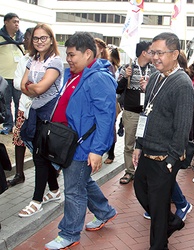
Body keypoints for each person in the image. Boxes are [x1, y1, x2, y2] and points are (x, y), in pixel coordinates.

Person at [45, 32, 117, 249]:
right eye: (67, 54)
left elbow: (106, 117)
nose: (68, 59)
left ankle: (69, 233)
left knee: (74, 190)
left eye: (72, 55)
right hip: (71, 143)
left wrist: (96, 150)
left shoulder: (98, 78)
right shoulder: (74, 74)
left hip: (83, 146)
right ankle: (105, 212)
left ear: (88, 53)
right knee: (82, 182)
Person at [132, 32, 194, 250]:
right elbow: (145, 113)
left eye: (160, 53)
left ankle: (159, 245)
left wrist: (171, 158)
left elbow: (183, 127)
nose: (155, 57)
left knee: (158, 207)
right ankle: (172, 222)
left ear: (175, 54)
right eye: (153, 52)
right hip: (147, 150)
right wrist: (138, 145)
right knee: (142, 192)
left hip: (164, 156)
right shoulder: (156, 78)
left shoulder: (182, 84)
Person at [18, 23, 63, 218]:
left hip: (49, 115)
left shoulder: (56, 61)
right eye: (36, 38)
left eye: (43, 38)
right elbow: (22, 85)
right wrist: (31, 87)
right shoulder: (32, 59)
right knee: (42, 154)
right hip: (34, 113)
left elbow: (40, 88)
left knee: (39, 156)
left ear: (51, 39)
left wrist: (31, 86)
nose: (39, 41)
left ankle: (36, 200)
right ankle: (54, 190)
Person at [117, 41, 156, 184]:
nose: (154, 55)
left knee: (146, 144)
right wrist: (126, 77)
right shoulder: (128, 68)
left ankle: (143, 171)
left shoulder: (154, 69)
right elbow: (118, 89)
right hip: (131, 112)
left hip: (148, 113)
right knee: (129, 144)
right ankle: (129, 171)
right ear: (144, 53)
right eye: (151, 52)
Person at [7, 27, 34, 186]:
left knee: (40, 143)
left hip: (40, 108)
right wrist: (29, 87)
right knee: (18, 140)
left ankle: (49, 173)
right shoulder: (24, 59)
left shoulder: (47, 60)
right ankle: (19, 174)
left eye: (28, 37)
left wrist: (33, 87)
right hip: (23, 107)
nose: (24, 40)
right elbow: (16, 82)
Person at [0, 13, 24, 135]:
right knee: (6, 103)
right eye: (14, 21)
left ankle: (18, 125)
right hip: (4, 77)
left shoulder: (21, 38)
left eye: (18, 22)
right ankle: (8, 125)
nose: (17, 24)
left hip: (18, 77)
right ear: (6, 22)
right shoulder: (0, 37)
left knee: (19, 102)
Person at [94, 38, 117, 165]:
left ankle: (111, 153)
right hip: (94, 104)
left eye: (95, 46)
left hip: (106, 103)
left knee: (108, 127)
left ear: (101, 49)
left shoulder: (108, 66)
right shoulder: (88, 64)